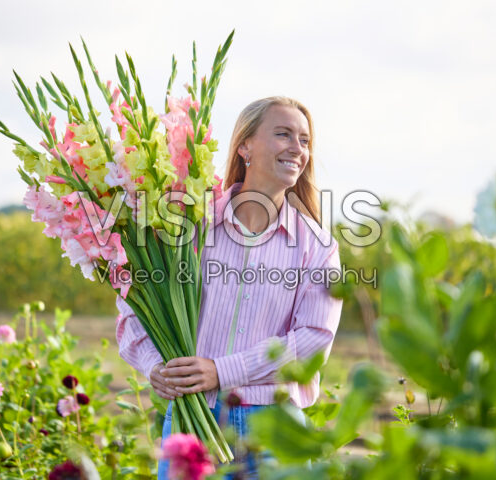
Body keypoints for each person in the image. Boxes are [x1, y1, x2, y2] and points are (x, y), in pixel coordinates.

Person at [115, 96, 343, 479]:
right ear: (245, 145)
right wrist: (156, 366)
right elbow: (134, 308)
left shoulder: (317, 245)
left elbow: (314, 339)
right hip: (194, 420)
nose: (297, 149)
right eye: (283, 134)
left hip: (275, 429)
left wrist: (223, 371)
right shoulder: (189, 226)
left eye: (304, 141)